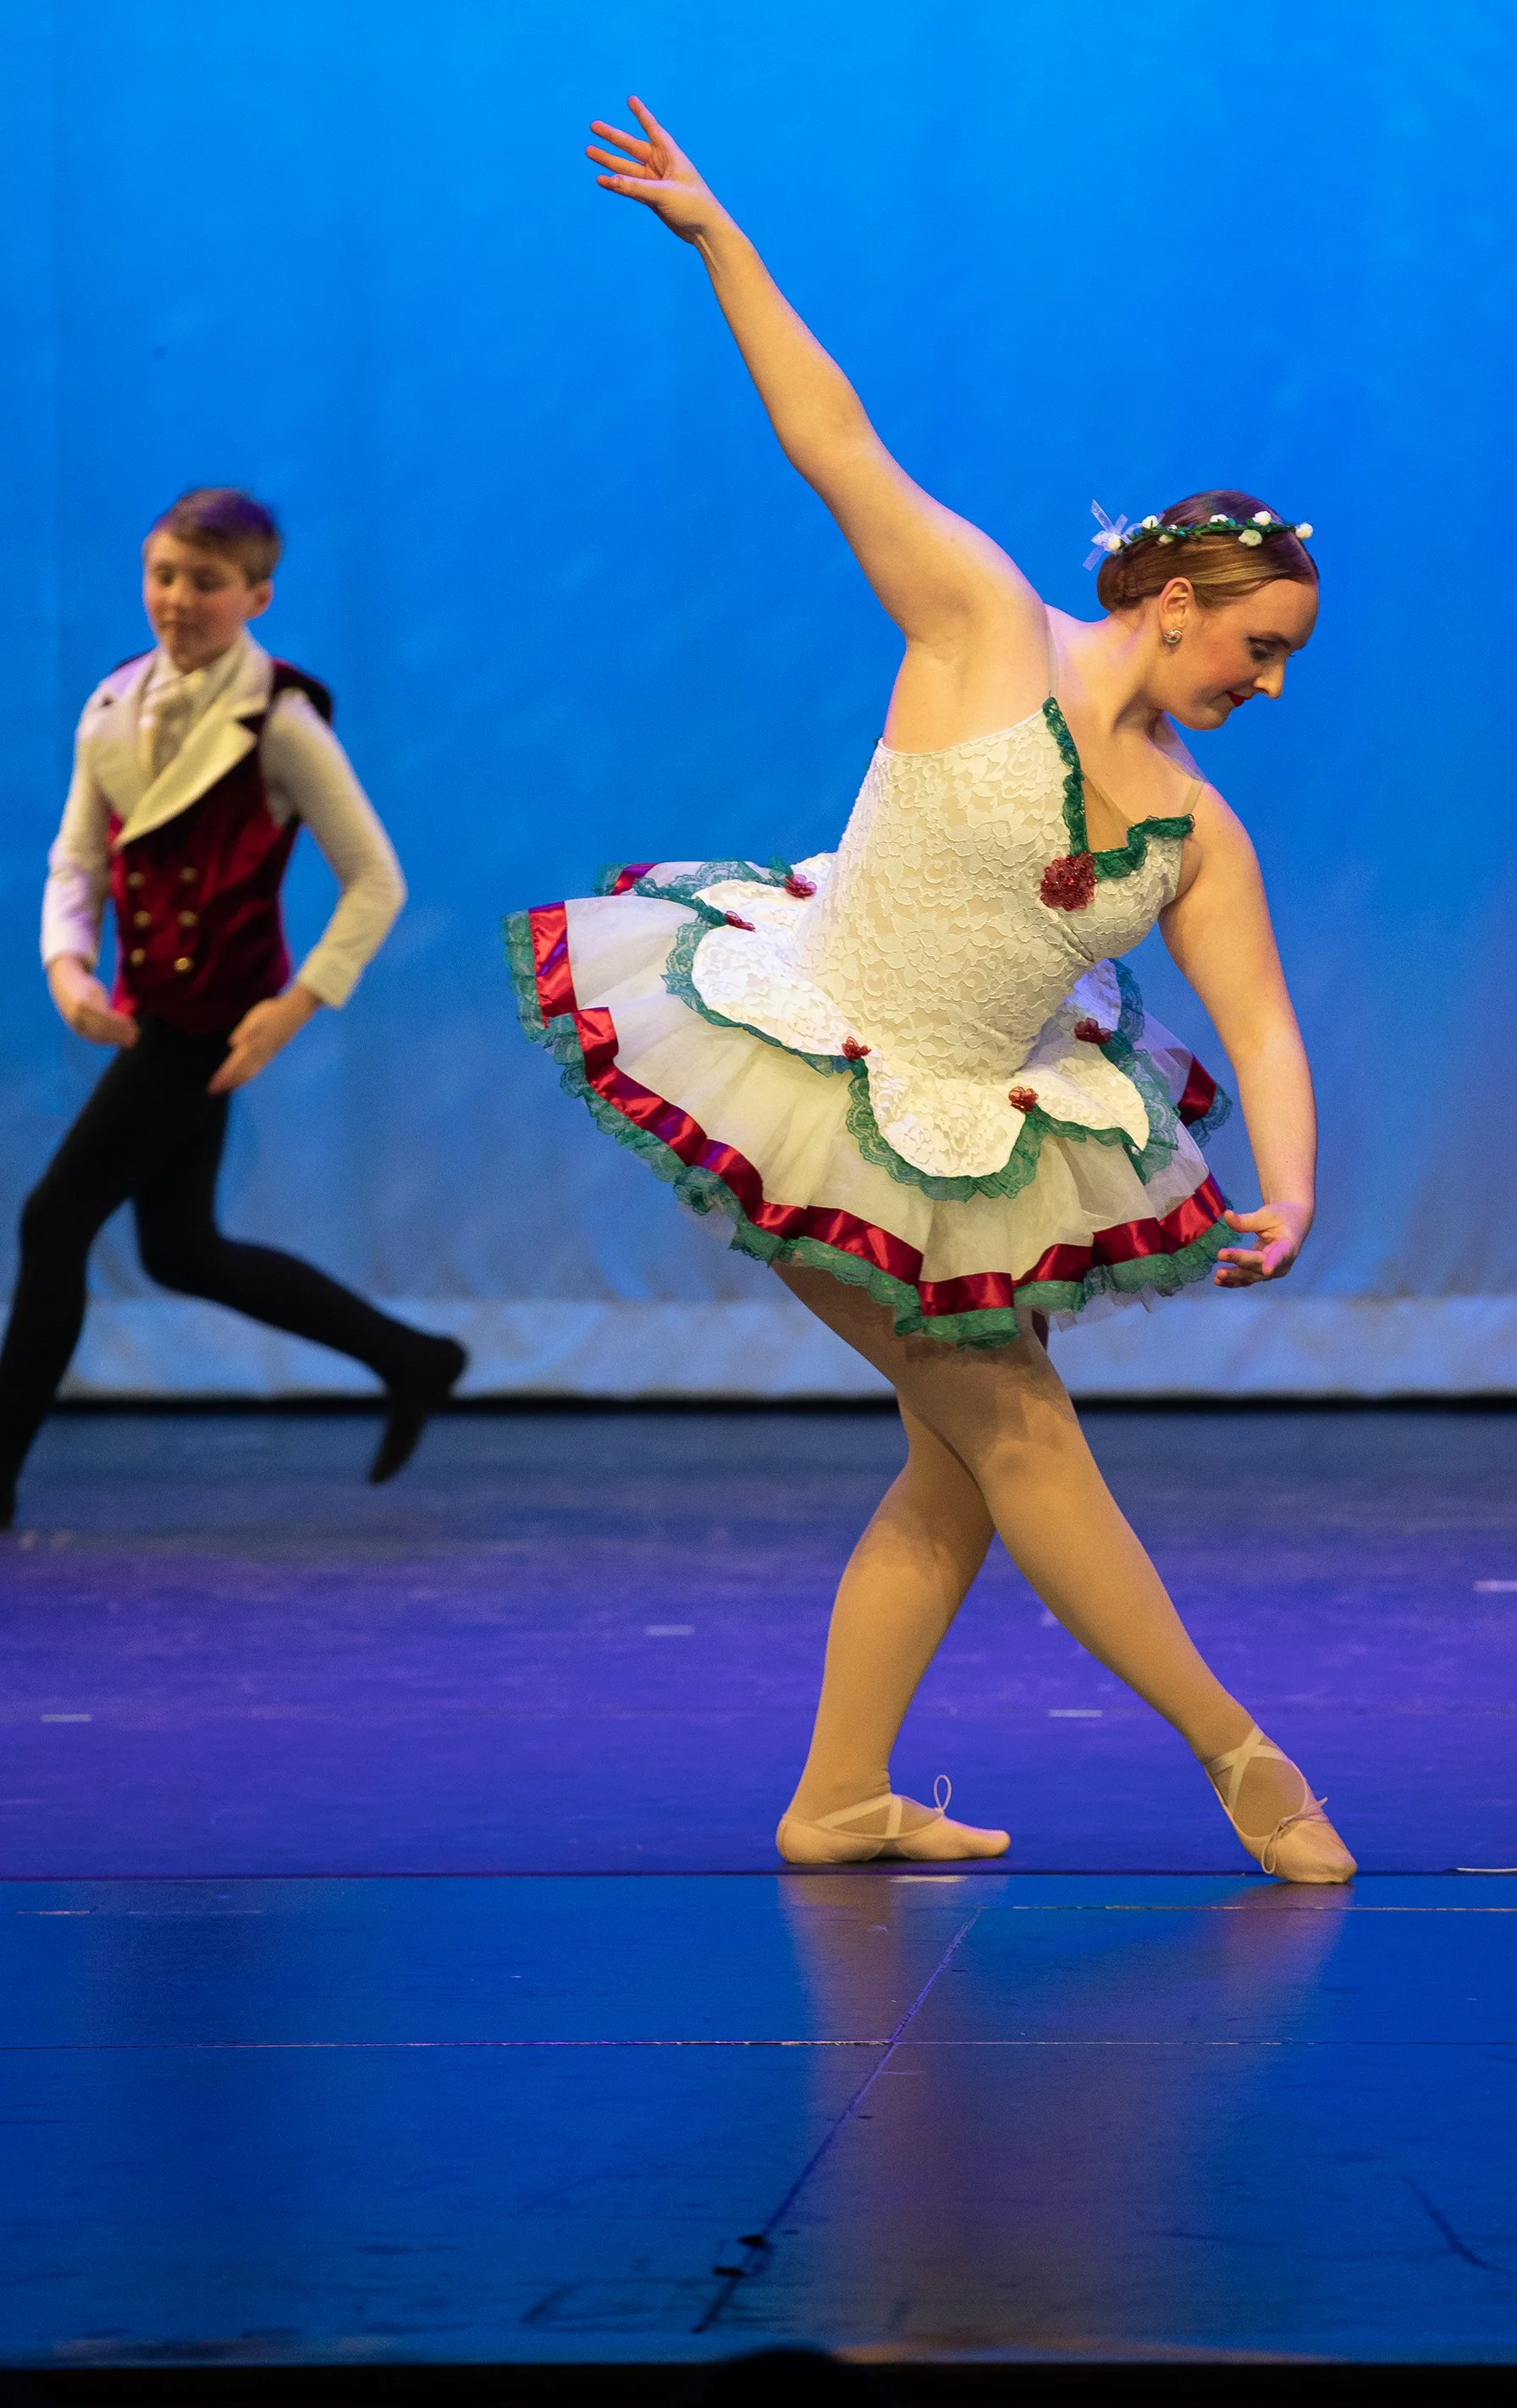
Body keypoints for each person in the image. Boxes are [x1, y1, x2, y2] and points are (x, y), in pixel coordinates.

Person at [505, 101, 1353, 1884]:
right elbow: (835, 440)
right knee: (1018, 1434)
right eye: (1258, 650)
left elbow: (1258, 1020)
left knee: (960, 1474)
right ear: (1183, 600)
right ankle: (1233, 1751)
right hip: (822, 1084)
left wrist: (1289, 1183)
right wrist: (724, 241)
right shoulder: (981, 622)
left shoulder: (1193, 834)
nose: (1267, 687)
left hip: (980, 1122)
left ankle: (835, 1797)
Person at [0, 488, 467, 1526]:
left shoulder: (282, 722)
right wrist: (66, 966)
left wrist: (294, 1005)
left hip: (209, 1017)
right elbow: (77, 858)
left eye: (205, 583)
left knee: (54, 1218)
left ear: (255, 594)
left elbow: (375, 879)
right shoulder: (114, 703)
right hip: (146, 1005)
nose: (177, 599)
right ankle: (417, 1356)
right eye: (162, 575)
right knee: (180, 1250)